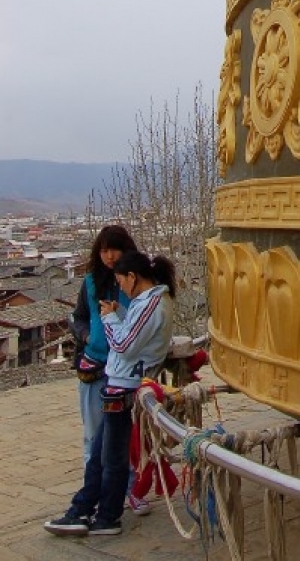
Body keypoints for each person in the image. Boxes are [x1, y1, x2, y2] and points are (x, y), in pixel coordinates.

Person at [45, 251, 176, 538]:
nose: (120, 286)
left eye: (121, 280)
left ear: (132, 277)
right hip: (121, 383)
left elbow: (125, 345)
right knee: (102, 455)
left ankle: (103, 515)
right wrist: (119, 314)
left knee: (109, 458)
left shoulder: (152, 304)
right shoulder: (149, 302)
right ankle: (83, 510)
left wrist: (108, 319)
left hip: (125, 385)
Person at [70, 224, 137, 464]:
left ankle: (127, 486)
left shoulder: (134, 283)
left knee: (125, 434)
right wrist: (88, 336)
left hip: (126, 367)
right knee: (93, 432)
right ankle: (93, 487)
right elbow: (78, 317)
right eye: (104, 251)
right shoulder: (90, 283)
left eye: (115, 250)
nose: (109, 257)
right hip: (95, 365)